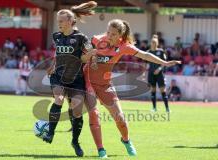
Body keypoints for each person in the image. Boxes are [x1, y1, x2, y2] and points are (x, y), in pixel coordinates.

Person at [82, 19, 180, 158]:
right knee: (94, 115)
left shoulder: (124, 46)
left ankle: (126, 140)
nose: (109, 36)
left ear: (120, 35)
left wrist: (164, 62)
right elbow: (81, 57)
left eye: (113, 34)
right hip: (88, 82)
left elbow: (145, 55)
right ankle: (101, 150)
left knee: (120, 118)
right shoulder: (96, 40)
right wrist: (87, 56)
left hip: (105, 85)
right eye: (108, 32)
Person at [42, 1, 97, 157]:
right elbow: (59, 54)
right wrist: (53, 65)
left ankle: (75, 142)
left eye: (61, 21)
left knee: (77, 111)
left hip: (76, 78)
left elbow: (86, 58)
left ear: (70, 22)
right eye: (58, 21)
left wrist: (91, 56)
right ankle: (50, 133)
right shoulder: (56, 36)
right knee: (58, 99)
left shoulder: (81, 37)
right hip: (58, 77)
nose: (58, 24)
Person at [147, 35, 171, 112]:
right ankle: (154, 108)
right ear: (150, 43)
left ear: (157, 43)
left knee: (162, 91)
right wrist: (145, 73)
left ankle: (167, 108)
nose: (153, 44)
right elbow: (146, 64)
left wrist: (159, 69)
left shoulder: (160, 51)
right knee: (153, 91)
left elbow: (164, 63)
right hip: (151, 74)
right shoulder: (148, 52)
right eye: (152, 42)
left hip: (159, 74)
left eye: (155, 42)